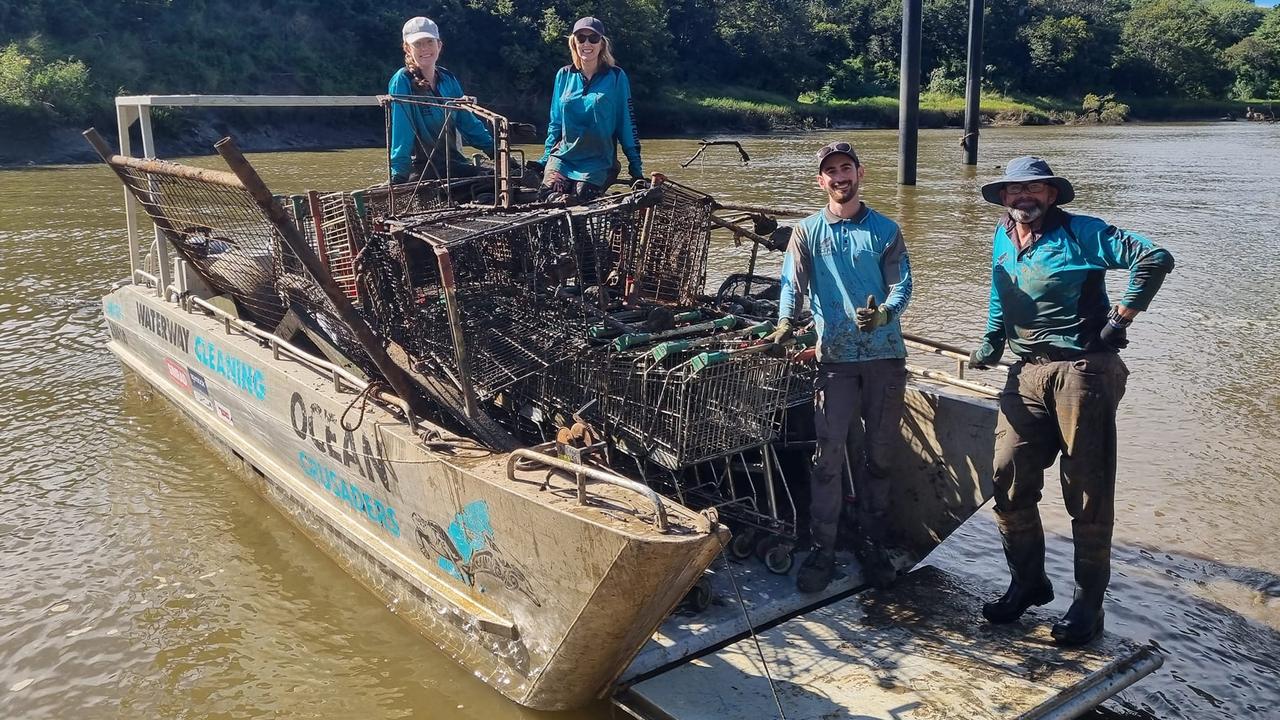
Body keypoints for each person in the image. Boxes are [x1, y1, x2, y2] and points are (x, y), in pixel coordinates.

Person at [968, 156, 1174, 645]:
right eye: (1014, 191)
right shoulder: (1003, 234)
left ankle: (1088, 606)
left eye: (1034, 190)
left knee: (1086, 488)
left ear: (1052, 194)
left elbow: (1155, 257)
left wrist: (1122, 317)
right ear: (1002, 197)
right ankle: (1029, 582)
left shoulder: (1084, 233)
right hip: (1026, 372)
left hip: (1083, 371)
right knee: (1007, 476)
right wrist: (991, 340)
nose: (1023, 198)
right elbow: (1002, 292)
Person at [771, 141, 913, 593]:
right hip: (833, 362)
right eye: (830, 171)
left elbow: (902, 286)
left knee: (880, 458)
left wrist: (885, 314)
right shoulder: (807, 232)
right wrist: (783, 323)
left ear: (860, 172)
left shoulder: (886, 230)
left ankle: (872, 545)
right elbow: (791, 285)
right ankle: (823, 549)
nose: (839, 177)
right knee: (827, 459)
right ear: (821, 181)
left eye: (846, 168)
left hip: (885, 358)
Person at [534, 17, 645, 203]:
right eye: (581, 38)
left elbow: (626, 122)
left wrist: (636, 170)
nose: (587, 43)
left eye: (593, 38)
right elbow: (555, 123)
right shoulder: (563, 75)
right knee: (547, 196)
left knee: (582, 198)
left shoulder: (616, 76)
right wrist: (544, 159)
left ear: (602, 44)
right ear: (574, 42)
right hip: (563, 158)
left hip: (598, 161)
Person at [387, 17, 494, 184]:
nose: (425, 48)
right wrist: (399, 176)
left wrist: (495, 151)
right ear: (407, 48)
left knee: (499, 178)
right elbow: (402, 131)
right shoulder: (403, 80)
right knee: (487, 181)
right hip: (421, 168)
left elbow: (468, 123)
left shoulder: (448, 79)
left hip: (452, 164)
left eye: (429, 42)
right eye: (418, 44)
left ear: (439, 45)